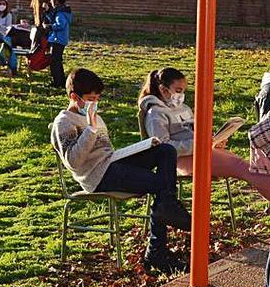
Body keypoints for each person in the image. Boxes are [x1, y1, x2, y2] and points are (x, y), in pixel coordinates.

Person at [51, 68, 192, 273]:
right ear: (75, 97)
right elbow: (74, 161)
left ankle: (165, 218)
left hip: (112, 163)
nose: (95, 102)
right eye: (91, 98)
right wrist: (89, 129)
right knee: (161, 186)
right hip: (96, 176)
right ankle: (157, 249)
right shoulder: (63, 122)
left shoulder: (96, 117)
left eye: (98, 98)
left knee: (165, 150)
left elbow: (105, 150)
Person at [139, 67, 270, 205]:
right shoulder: (155, 114)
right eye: (178, 91)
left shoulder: (184, 108)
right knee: (246, 169)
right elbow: (163, 148)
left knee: (249, 168)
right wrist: (199, 144)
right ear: (163, 90)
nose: (181, 95)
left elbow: (194, 133)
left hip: (201, 151)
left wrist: (213, 140)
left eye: (183, 91)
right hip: (184, 158)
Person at [46, 0, 72, 88]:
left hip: (58, 40)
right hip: (60, 39)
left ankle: (57, 82)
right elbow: (53, 18)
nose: (51, 2)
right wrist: (48, 12)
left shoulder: (60, 12)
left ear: (56, 1)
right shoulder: (62, 11)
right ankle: (60, 80)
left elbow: (60, 25)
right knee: (57, 61)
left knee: (54, 62)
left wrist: (49, 27)